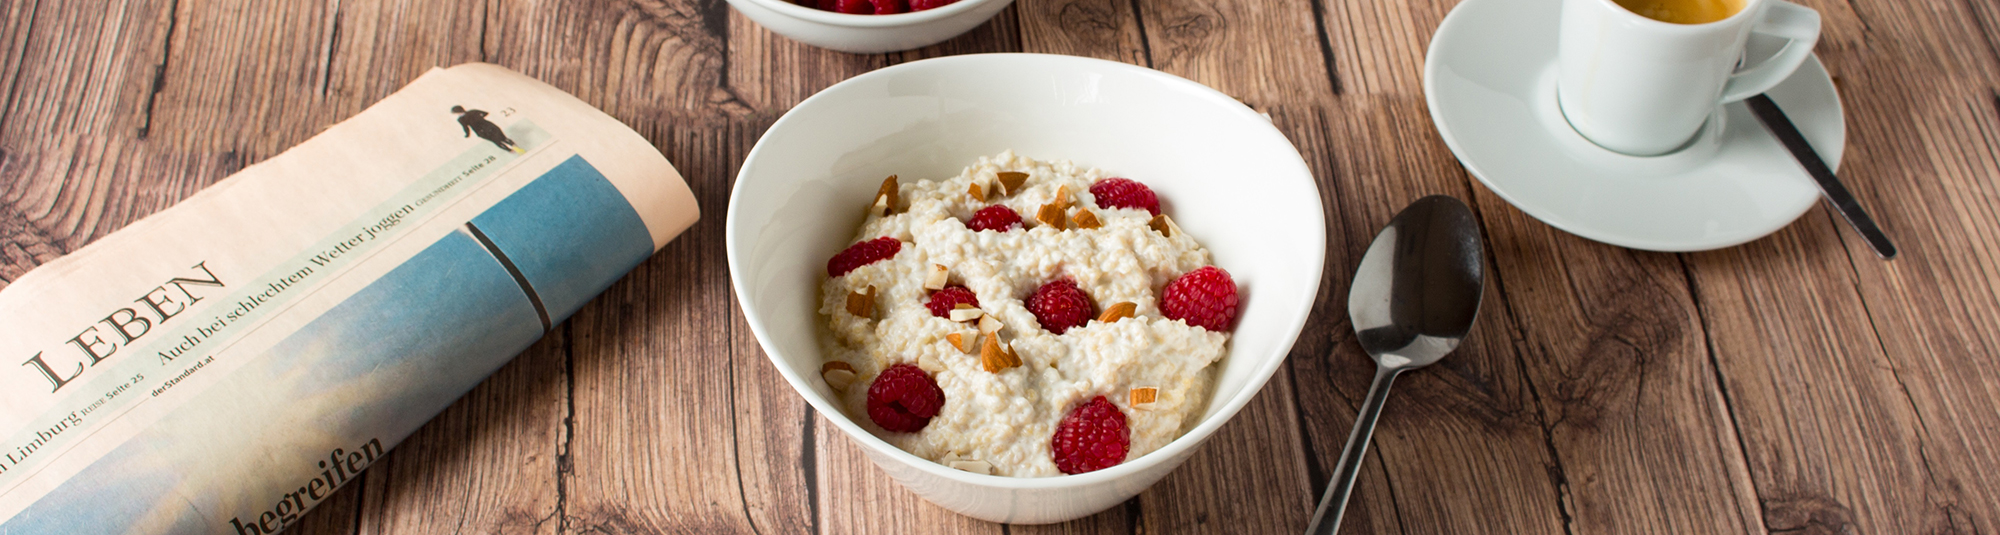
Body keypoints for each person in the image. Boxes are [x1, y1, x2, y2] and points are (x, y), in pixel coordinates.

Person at [451, 105, 524, 153]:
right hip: (489, 126)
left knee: (497, 142)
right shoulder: (473, 111)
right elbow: (485, 113)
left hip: (481, 131)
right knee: (504, 138)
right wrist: (480, 118)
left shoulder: (461, 119)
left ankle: (511, 151)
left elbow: (466, 128)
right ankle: (518, 149)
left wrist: (467, 135)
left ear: (457, 112)